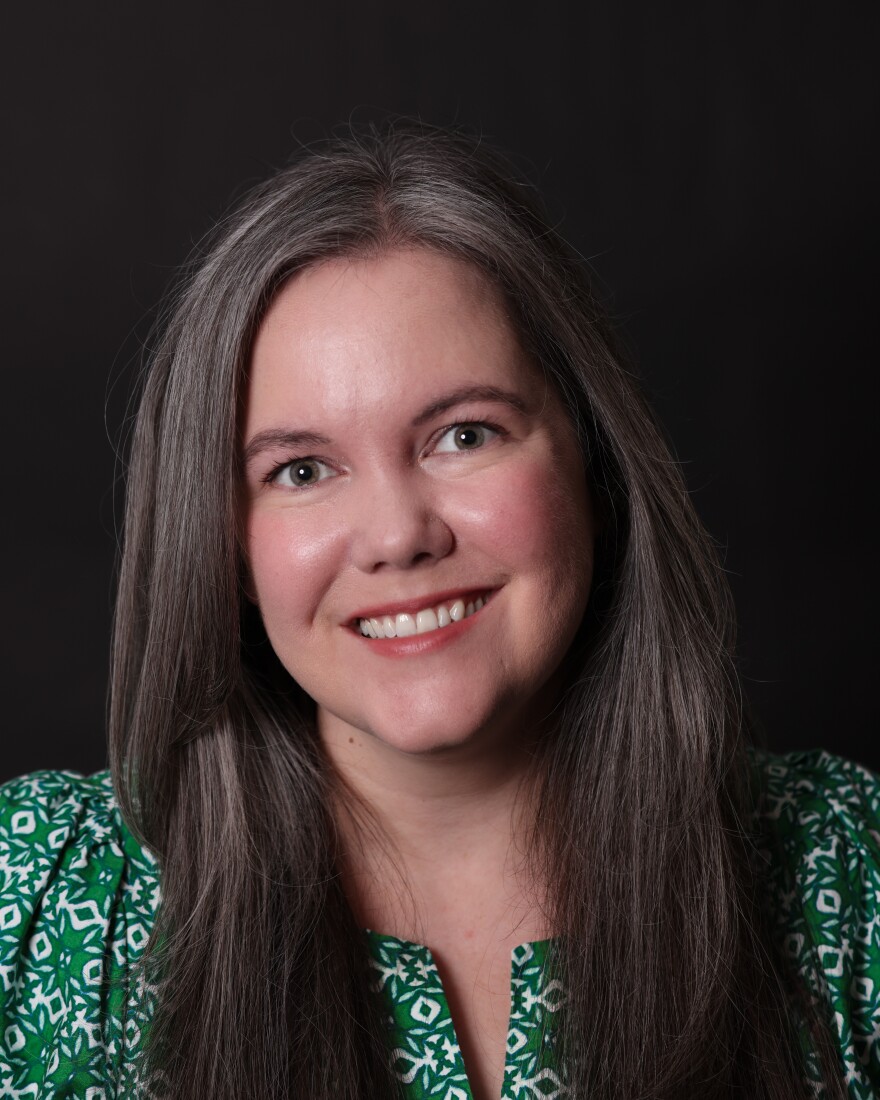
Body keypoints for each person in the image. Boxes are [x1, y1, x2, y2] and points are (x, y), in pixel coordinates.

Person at [0, 122, 878, 1100]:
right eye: (300, 468)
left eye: (463, 434)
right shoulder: (34, 893)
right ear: (226, 546)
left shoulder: (846, 864)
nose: (395, 535)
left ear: (593, 463)